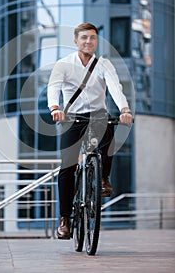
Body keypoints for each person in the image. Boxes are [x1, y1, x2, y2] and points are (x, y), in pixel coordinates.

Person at [47, 23, 133, 240]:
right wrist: (55, 108)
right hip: (72, 118)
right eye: (84, 38)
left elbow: (115, 87)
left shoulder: (104, 64)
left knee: (109, 135)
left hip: (97, 115)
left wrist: (124, 109)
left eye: (92, 38)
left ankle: (103, 178)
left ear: (97, 41)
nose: (88, 41)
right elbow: (53, 87)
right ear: (76, 41)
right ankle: (65, 219)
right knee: (67, 166)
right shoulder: (63, 65)